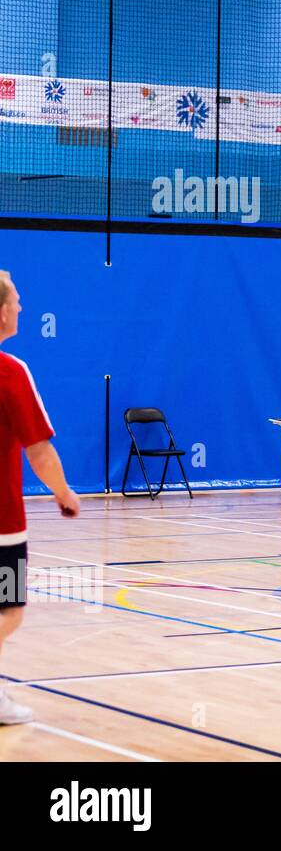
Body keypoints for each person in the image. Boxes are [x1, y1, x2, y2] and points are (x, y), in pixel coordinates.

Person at [0, 270, 80, 725]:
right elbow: (39, 448)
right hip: (2, 522)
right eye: (16, 300)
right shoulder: (10, 372)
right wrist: (65, 493)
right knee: (8, 609)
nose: (23, 308)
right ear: (1, 311)